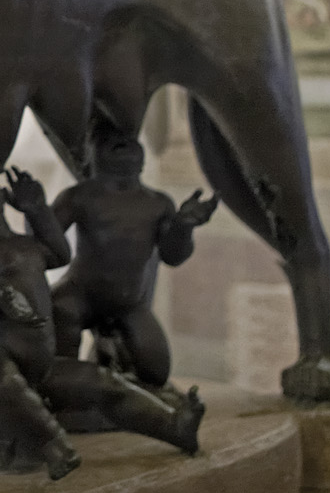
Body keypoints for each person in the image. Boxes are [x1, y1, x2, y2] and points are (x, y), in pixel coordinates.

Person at [0, 170, 204, 476]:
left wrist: (36, 208)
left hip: (43, 368)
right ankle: (51, 444)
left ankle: (176, 427)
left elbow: (60, 254)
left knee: (106, 384)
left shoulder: (25, 245)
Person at [47, 138, 219, 390]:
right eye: (111, 139)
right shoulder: (78, 197)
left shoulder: (158, 203)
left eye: (128, 140)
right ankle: (66, 391)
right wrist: (35, 212)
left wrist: (184, 226)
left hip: (127, 303)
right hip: (79, 294)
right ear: (93, 156)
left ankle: (107, 370)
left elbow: (173, 256)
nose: (122, 144)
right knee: (61, 315)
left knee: (155, 373)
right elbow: (44, 243)